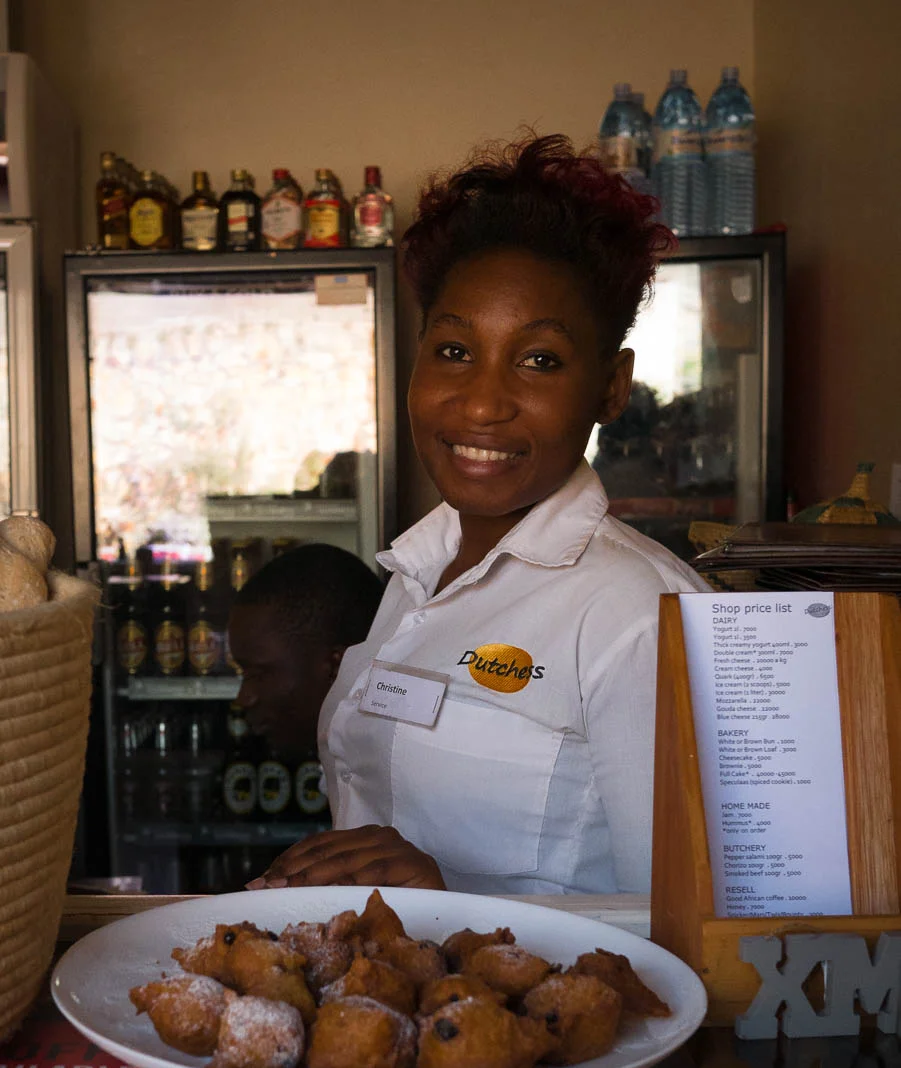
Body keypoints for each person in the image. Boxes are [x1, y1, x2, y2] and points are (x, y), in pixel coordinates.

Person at [248, 133, 710, 898]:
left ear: (611, 386)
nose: (482, 403)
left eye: (538, 360)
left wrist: (448, 894)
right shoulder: (415, 576)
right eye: (455, 350)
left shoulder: (642, 617)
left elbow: (696, 932)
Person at [227, 543, 384, 762]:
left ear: (337, 667)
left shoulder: (398, 782)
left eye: (259, 674)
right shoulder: (344, 761)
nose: (244, 698)